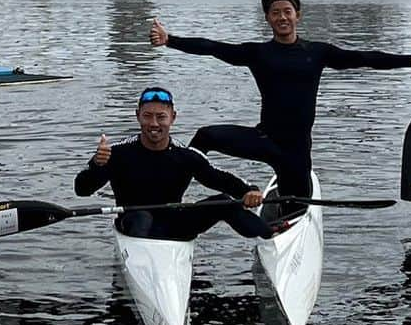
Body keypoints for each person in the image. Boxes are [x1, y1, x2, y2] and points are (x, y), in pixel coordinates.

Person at [148, 0, 411, 203]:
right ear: (267, 19)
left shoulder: (317, 52)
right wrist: (170, 40)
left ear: (298, 15)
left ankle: (282, 218)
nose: (282, 17)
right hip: (264, 139)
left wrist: (409, 59)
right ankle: (172, 196)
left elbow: (363, 57)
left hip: (296, 151)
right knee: (205, 137)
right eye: (275, 13)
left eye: (287, 11)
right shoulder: (257, 53)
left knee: (294, 204)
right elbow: (212, 47)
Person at [74, 86, 279, 241]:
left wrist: (249, 190)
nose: (154, 124)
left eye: (161, 117)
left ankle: (271, 238)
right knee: (142, 217)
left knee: (223, 201)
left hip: (174, 225)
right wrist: (97, 164)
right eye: (147, 116)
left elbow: (219, 178)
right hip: (133, 224)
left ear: (173, 118)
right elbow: (82, 190)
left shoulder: (186, 155)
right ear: (138, 117)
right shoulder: (117, 153)